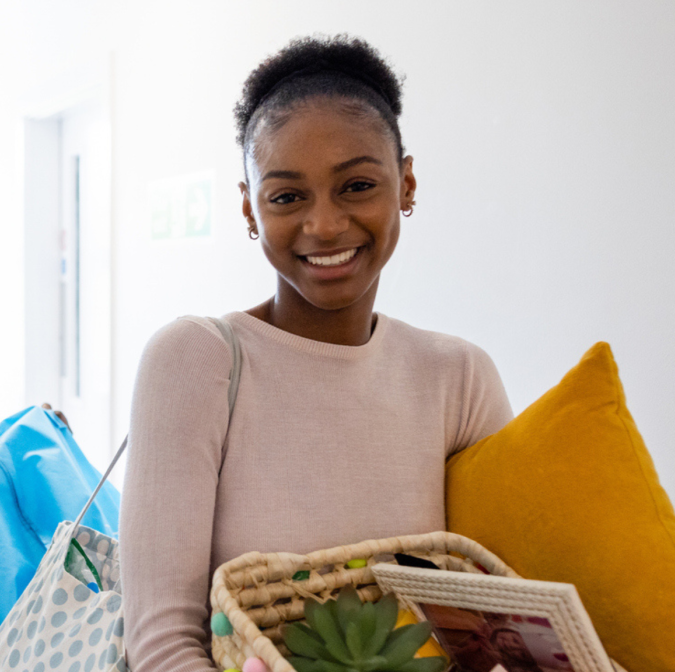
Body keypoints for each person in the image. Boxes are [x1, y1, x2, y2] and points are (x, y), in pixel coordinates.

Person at [119, 36, 514, 672]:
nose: (325, 225)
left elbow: (493, 615)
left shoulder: (459, 378)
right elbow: (162, 641)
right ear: (250, 208)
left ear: (406, 185)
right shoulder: (195, 362)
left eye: (356, 185)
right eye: (286, 196)